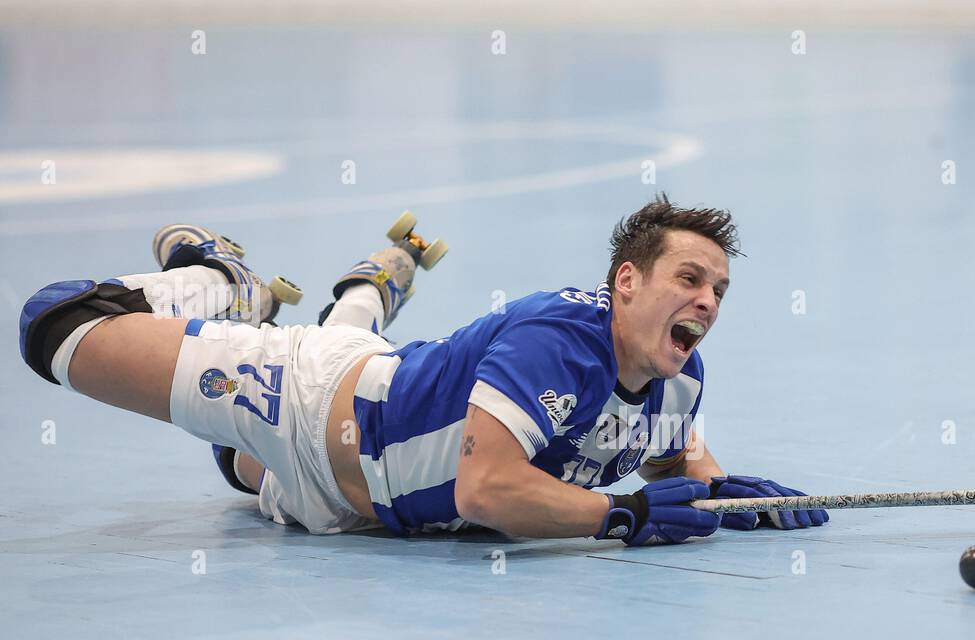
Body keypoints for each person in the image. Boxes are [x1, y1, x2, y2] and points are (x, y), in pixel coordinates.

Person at [17, 193, 827, 544]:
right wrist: (619, 518)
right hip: (301, 400)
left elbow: (669, 455)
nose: (709, 301)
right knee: (56, 326)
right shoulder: (558, 336)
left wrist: (722, 493)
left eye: (719, 288)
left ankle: (371, 286)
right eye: (689, 279)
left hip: (350, 517)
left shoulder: (681, 376)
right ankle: (221, 282)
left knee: (234, 469)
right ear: (626, 283)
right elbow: (486, 490)